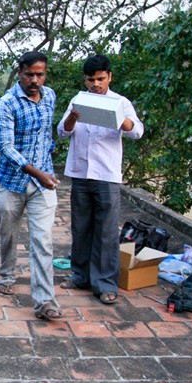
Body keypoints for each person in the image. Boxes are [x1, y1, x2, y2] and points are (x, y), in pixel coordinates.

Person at [57, 54, 144, 304]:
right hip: (81, 173)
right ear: (85, 79)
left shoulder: (120, 102)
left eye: (100, 79)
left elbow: (137, 131)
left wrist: (120, 120)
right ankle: (80, 275)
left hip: (106, 175)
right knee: (81, 227)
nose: (95, 84)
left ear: (109, 77)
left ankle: (105, 283)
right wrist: (73, 116)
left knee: (106, 231)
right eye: (90, 79)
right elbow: (63, 131)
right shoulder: (78, 100)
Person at [0, 51, 62, 320]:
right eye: (29, 74)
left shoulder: (51, 97)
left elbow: (46, 135)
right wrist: (36, 172)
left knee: (42, 242)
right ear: (19, 73)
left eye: (40, 74)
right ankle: (7, 274)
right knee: (8, 234)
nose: (35, 80)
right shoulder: (6, 104)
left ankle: (45, 301)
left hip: (44, 184)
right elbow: (6, 147)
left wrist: (46, 168)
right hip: (12, 182)